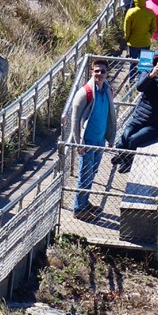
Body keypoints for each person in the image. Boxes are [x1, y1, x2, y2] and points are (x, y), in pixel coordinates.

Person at [63, 58, 118, 219]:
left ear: (107, 73)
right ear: (92, 72)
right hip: (87, 142)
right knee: (85, 175)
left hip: (100, 140)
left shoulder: (107, 90)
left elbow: (110, 116)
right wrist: (79, 143)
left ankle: (84, 203)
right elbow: (75, 120)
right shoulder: (84, 93)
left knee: (92, 173)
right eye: (96, 71)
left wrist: (110, 137)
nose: (99, 74)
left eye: (102, 71)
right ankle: (79, 209)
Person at [113, 52, 158, 172]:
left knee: (133, 140)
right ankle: (122, 155)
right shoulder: (148, 74)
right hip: (139, 117)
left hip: (154, 124)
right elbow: (140, 87)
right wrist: (152, 75)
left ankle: (128, 162)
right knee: (123, 139)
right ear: (155, 63)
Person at [123, 0, 158, 75]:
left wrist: (128, 38)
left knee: (133, 63)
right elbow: (154, 27)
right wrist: (149, 35)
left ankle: (131, 80)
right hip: (145, 41)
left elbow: (126, 28)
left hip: (133, 42)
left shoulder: (131, 12)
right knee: (145, 64)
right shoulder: (150, 13)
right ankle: (142, 81)